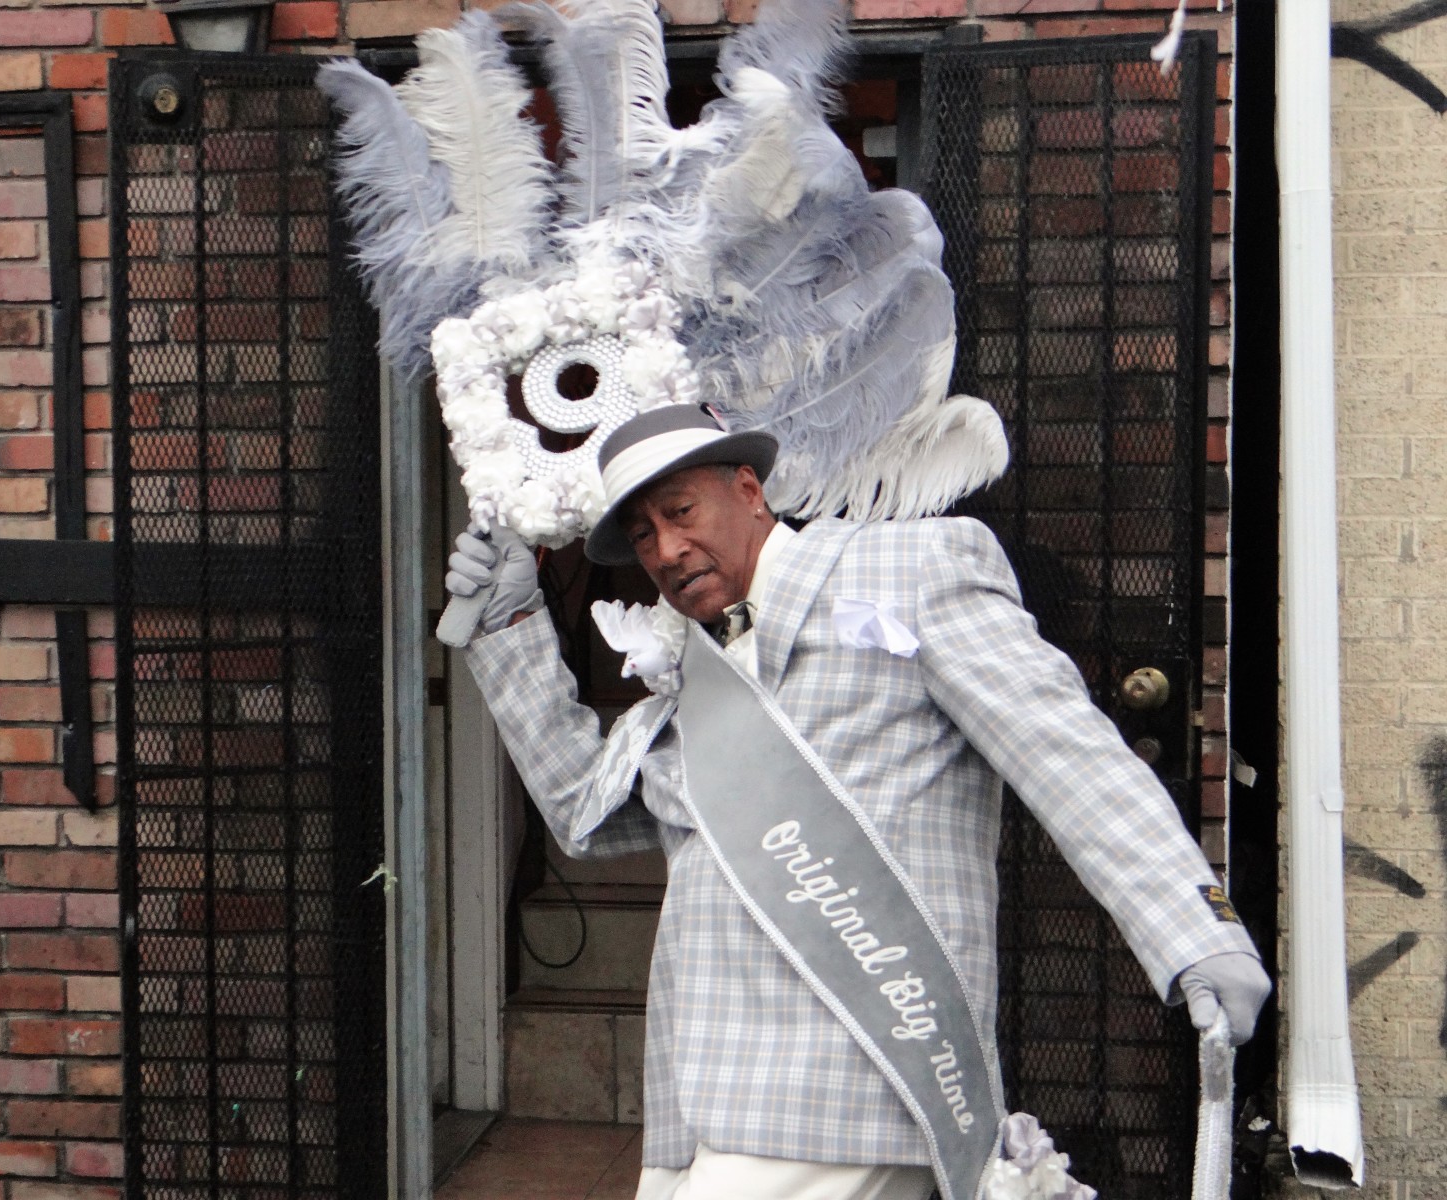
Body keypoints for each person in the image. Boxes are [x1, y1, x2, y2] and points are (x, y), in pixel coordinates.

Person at [446, 406, 1270, 1200]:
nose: (666, 548)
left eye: (680, 510)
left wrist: (1192, 929)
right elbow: (582, 811)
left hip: (859, 1077)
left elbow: (1069, 755)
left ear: (748, 488)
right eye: (642, 535)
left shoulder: (910, 571)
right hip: (702, 1097)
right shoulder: (690, 664)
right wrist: (511, 620)